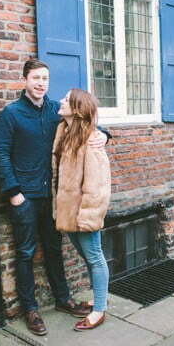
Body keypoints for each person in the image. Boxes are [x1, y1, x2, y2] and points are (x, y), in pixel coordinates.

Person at [0, 59, 104, 336]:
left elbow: (84, 120)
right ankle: (30, 309)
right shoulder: (12, 114)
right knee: (26, 252)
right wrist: (13, 192)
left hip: (53, 197)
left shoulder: (57, 109)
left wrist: (104, 134)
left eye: (45, 78)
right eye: (36, 78)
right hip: (25, 197)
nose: (41, 83)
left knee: (55, 249)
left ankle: (63, 298)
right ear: (25, 80)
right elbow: (1, 154)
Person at [52, 88, 112, 330]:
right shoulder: (64, 131)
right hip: (69, 212)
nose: (61, 101)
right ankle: (99, 297)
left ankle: (99, 310)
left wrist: (88, 216)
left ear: (76, 109)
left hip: (84, 213)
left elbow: (98, 186)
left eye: (66, 99)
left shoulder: (91, 139)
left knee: (95, 257)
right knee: (88, 257)